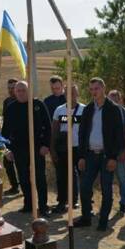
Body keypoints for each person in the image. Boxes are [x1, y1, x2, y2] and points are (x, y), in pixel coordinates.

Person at [74, 77, 124, 231]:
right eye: (91, 89)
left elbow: (119, 136)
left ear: (103, 89)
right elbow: (82, 134)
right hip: (89, 155)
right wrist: (81, 156)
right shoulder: (88, 109)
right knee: (85, 186)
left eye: (96, 88)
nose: (93, 92)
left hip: (106, 156)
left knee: (106, 189)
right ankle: (86, 217)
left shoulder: (114, 109)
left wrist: (113, 157)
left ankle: (103, 220)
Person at [2, 81, 51, 216]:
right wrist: (7, 150)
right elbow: (5, 132)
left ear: (29, 91)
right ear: (15, 92)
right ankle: (28, 204)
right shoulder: (11, 108)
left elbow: (48, 127)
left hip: (37, 148)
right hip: (19, 149)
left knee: (39, 177)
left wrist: (46, 145)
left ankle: (43, 206)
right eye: (18, 91)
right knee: (23, 177)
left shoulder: (38, 105)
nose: (21, 93)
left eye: (23, 90)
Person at [50, 84, 85, 213]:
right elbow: (54, 131)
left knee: (80, 176)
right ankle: (61, 202)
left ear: (77, 94)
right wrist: (53, 150)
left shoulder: (84, 110)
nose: (71, 96)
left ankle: (76, 200)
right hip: (63, 149)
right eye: (68, 93)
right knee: (62, 176)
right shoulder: (59, 110)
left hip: (79, 148)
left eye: (73, 93)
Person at [108, 89, 125, 214]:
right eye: (110, 99)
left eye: (115, 99)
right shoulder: (103, 112)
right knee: (106, 179)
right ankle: (107, 202)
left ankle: (123, 203)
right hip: (107, 152)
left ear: (120, 100)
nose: (112, 102)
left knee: (122, 178)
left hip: (120, 152)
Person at [2, 78, 19, 196]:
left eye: (13, 87)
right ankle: (14, 186)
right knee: (7, 162)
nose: (11, 90)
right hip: (8, 137)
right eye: (9, 88)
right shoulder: (6, 101)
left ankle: (26, 185)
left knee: (22, 164)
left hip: (21, 138)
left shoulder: (23, 100)